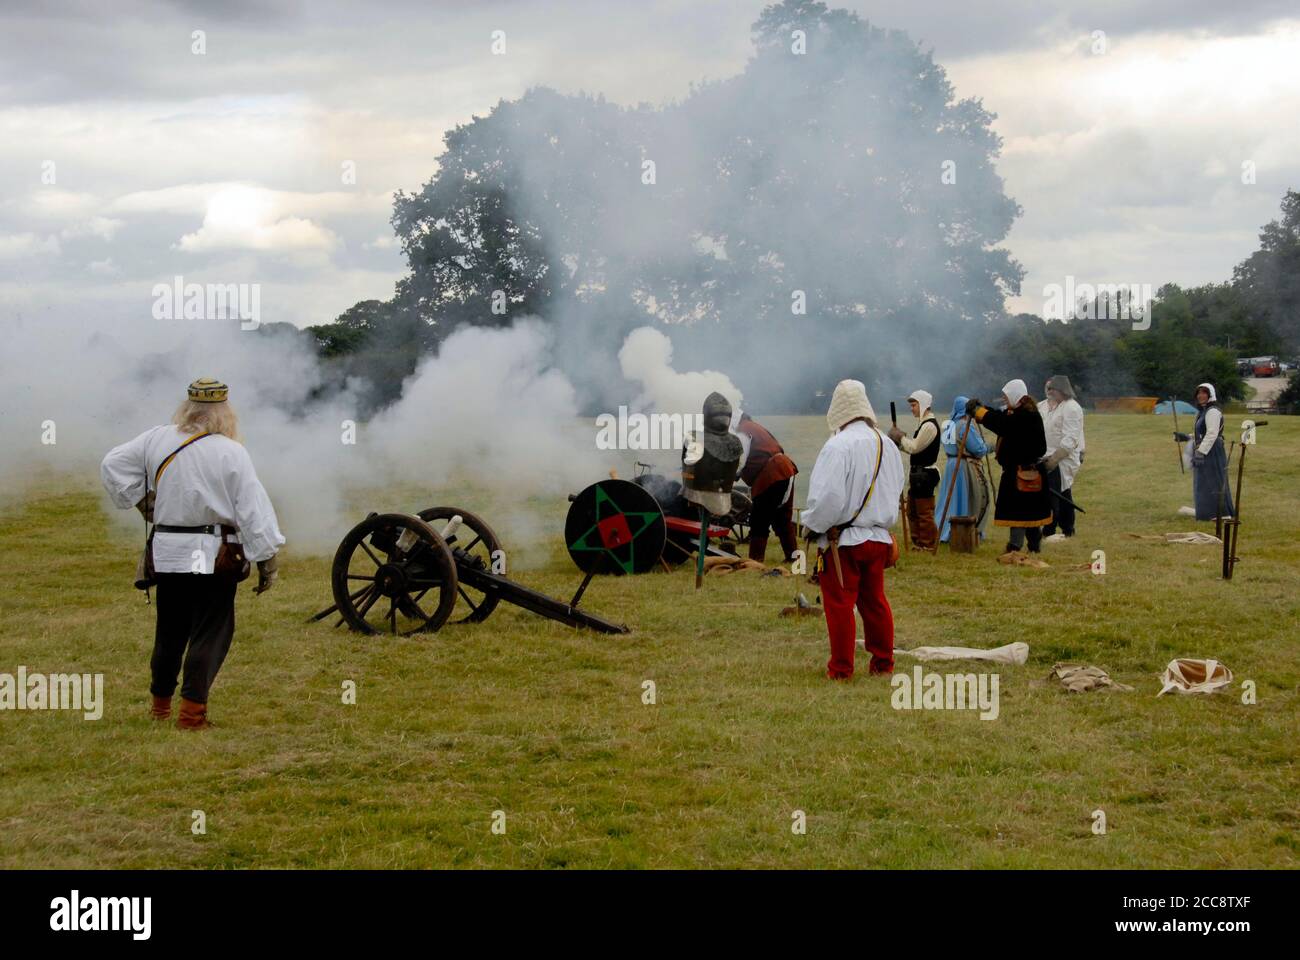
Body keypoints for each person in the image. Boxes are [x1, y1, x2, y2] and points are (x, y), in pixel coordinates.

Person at [101, 377, 284, 730]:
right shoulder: (232, 452)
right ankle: (191, 715)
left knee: (170, 630)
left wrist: (142, 501)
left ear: (188, 407)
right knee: (210, 630)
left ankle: (160, 707)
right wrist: (267, 560)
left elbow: (112, 464)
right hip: (214, 554)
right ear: (225, 411)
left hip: (169, 552)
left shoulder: (157, 438)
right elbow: (252, 510)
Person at [801, 380, 904, 679]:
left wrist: (813, 525)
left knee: (840, 605)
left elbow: (828, 499)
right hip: (878, 538)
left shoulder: (838, 445)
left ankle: (842, 669)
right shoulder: (887, 443)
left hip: (844, 541)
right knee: (875, 603)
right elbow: (896, 487)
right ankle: (883, 664)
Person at [966, 380, 1053, 555]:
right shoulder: (1019, 412)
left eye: (1006, 396)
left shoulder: (1026, 416)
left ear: (1016, 396)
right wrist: (983, 409)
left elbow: (1002, 423)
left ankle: (1015, 547)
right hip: (1022, 471)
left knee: (1020, 513)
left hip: (1024, 472)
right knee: (1029, 513)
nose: (1005, 400)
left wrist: (979, 412)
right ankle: (1034, 547)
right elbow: (1001, 416)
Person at [732, 409, 799, 563]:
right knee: (782, 520)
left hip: (772, 474)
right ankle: (795, 561)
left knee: (758, 520)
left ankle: (755, 562)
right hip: (785, 469)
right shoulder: (753, 427)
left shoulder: (742, 431)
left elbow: (739, 460)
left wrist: (731, 475)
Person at [887, 389, 941, 551]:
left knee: (924, 512)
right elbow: (912, 448)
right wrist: (898, 442)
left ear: (923, 404)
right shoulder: (924, 424)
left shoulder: (930, 426)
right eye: (911, 405)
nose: (912, 408)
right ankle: (918, 542)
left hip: (925, 475)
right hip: (918, 475)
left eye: (914, 405)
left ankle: (928, 543)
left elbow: (915, 447)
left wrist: (900, 437)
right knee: (911, 510)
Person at [934, 395, 991, 543]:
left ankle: (942, 529)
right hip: (963, 466)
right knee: (967, 498)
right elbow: (978, 449)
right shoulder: (964, 425)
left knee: (950, 498)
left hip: (951, 465)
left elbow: (947, 445)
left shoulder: (947, 424)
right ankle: (961, 529)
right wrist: (990, 447)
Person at [1174, 382, 1234, 521]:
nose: (1200, 395)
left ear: (1210, 394)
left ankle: (1222, 513)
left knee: (1213, 480)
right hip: (1205, 449)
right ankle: (1208, 512)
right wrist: (1186, 437)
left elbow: (1212, 434)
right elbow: (1202, 434)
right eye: (1199, 393)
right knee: (1204, 482)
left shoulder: (1212, 411)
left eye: (1204, 392)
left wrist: (1201, 452)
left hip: (1212, 451)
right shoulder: (1203, 411)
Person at [1039, 375, 1085, 542]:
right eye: (1048, 388)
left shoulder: (1071, 408)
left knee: (1056, 494)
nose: (1049, 391)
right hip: (1045, 455)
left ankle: (1051, 529)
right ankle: (1067, 528)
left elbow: (1071, 438)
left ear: (1062, 390)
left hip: (1063, 457)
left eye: (1053, 389)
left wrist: (1054, 459)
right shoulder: (1043, 406)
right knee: (1060, 493)